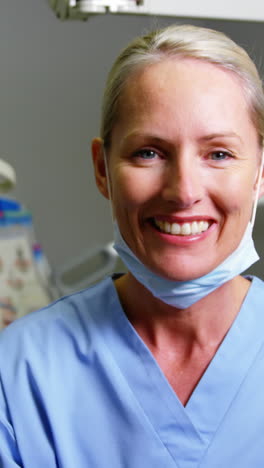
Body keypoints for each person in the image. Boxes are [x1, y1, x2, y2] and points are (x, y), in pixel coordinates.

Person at [0, 24, 264, 468]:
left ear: (261, 172)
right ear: (102, 169)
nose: (183, 191)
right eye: (149, 152)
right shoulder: (21, 371)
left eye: (218, 154)